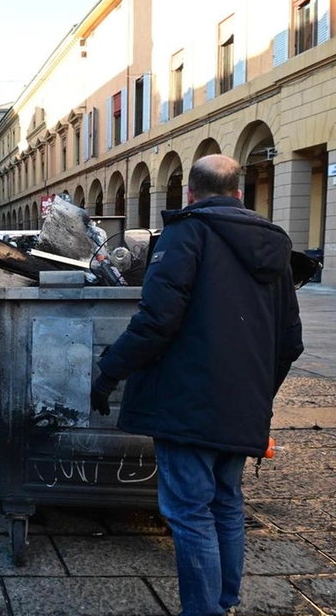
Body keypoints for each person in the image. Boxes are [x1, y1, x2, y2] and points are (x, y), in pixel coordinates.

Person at [91, 154, 303, 616]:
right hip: (243, 403)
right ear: (239, 193)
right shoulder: (278, 246)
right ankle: (225, 602)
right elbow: (290, 341)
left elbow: (156, 321)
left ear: (190, 192)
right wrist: (258, 394)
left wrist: (109, 373)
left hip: (188, 400)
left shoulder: (186, 233)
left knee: (190, 513)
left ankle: (204, 611)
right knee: (226, 502)